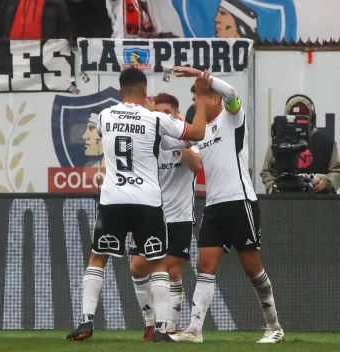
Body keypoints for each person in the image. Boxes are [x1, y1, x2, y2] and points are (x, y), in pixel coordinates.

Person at [66, 66, 208, 343]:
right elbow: (198, 132)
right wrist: (200, 97)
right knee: (157, 263)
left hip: (114, 198)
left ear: (120, 92)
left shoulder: (105, 116)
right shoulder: (155, 119)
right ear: (146, 92)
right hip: (147, 201)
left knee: (98, 258)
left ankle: (86, 322)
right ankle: (161, 330)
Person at [162, 67, 284, 344]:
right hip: (214, 207)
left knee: (252, 268)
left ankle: (274, 326)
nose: (196, 103)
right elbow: (183, 144)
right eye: (195, 99)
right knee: (205, 266)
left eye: (200, 98)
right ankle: (194, 330)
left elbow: (232, 93)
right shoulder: (199, 133)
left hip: (240, 202)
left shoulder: (233, 118)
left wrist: (199, 75)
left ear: (214, 99)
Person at [128, 93, 202, 341]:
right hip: (150, 213)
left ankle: (167, 328)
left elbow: (197, 167)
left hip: (179, 214)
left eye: (166, 113)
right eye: (156, 112)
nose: (160, 117)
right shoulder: (147, 139)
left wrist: (182, 138)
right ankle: (150, 322)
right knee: (137, 267)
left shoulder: (188, 138)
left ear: (175, 115)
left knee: (172, 272)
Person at [260, 94, 340, 194]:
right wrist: (272, 186)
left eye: (302, 118)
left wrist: (326, 183)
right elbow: (266, 172)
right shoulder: (277, 143)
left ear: (311, 118)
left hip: (319, 204)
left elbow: (337, 171)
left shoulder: (328, 143)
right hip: (284, 203)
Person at [0, 0, 71, 40]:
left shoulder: (57, 2)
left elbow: (64, 31)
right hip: (11, 55)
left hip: (43, 57)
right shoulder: (9, 1)